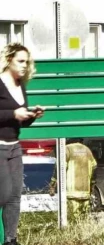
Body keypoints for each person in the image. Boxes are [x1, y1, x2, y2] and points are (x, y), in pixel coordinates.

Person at [0, 43, 44, 245]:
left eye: (27, 62)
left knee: (15, 195)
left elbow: (20, 121)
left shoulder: (21, 86)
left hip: (14, 146)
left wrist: (32, 116)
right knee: (4, 193)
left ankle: (11, 240)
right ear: (9, 60)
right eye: (20, 61)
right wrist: (12, 113)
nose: (25, 65)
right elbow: (9, 115)